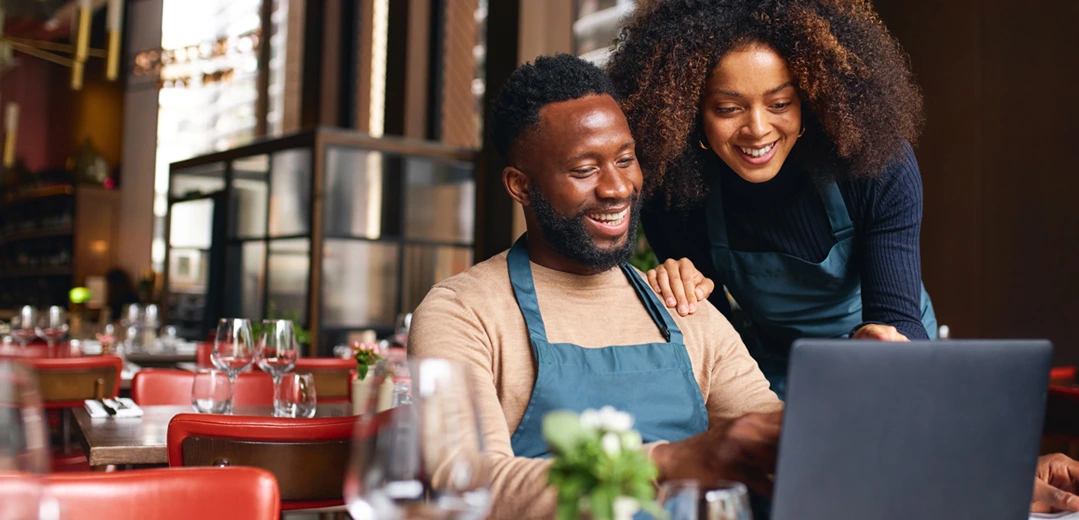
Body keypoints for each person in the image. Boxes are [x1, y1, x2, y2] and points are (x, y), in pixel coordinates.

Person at [408, 53, 1079, 519]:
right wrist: (678, 461)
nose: (616, 188)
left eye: (624, 159)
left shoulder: (683, 308)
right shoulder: (464, 311)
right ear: (520, 185)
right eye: (585, 168)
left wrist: (984, 478)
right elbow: (466, 489)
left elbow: (802, 444)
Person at [606, 0, 937, 398]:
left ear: (810, 100)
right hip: (776, 368)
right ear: (690, 110)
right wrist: (680, 292)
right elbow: (718, 344)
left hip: (887, 358)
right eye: (729, 108)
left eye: (780, 104)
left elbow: (899, 323)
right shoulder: (675, 194)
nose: (758, 130)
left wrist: (879, 343)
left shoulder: (876, 164)